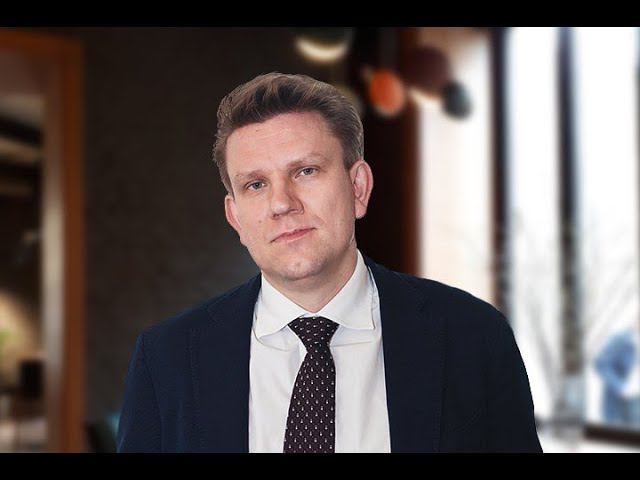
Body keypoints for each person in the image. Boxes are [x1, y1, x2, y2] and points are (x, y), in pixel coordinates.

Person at [116, 72, 542, 453]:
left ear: (358, 188)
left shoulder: (473, 337)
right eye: (256, 184)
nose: (282, 203)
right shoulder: (166, 359)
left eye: (305, 171)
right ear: (236, 217)